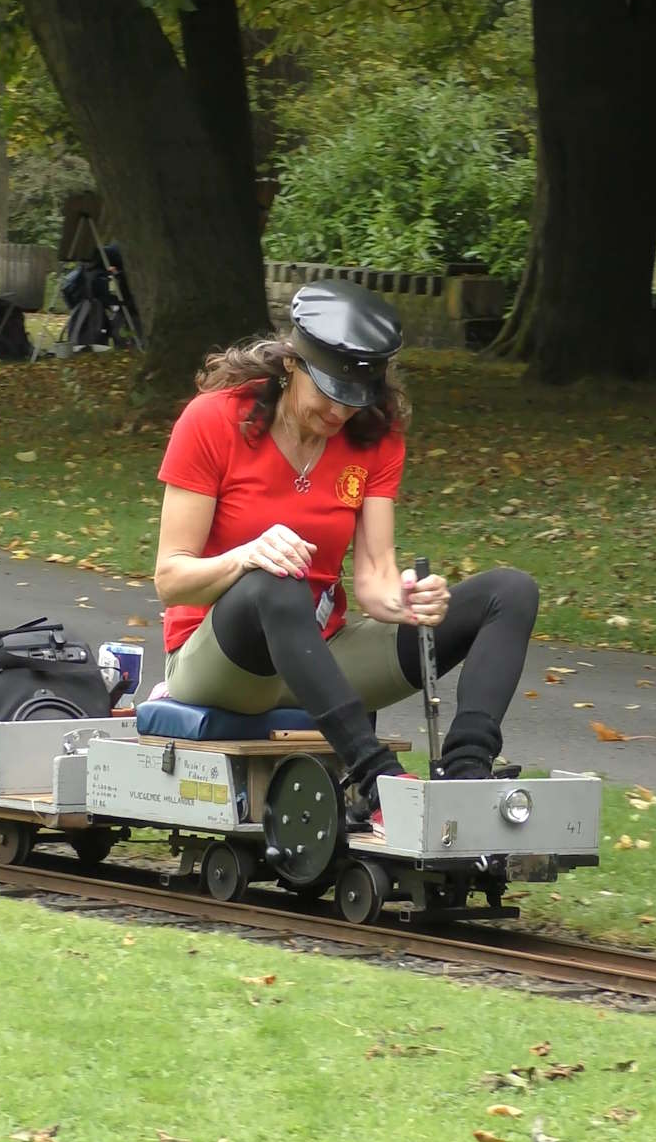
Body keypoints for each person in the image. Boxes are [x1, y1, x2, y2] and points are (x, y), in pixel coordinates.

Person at [152, 280, 541, 824]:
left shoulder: (376, 438)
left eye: (355, 398)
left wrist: (408, 601)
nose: (339, 412)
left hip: (320, 659)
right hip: (221, 663)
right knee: (275, 575)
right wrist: (247, 556)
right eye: (329, 393)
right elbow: (170, 578)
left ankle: (467, 772)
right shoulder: (214, 419)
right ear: (292, 364)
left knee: (510, 592)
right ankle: (375, 778)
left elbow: (375, 578)